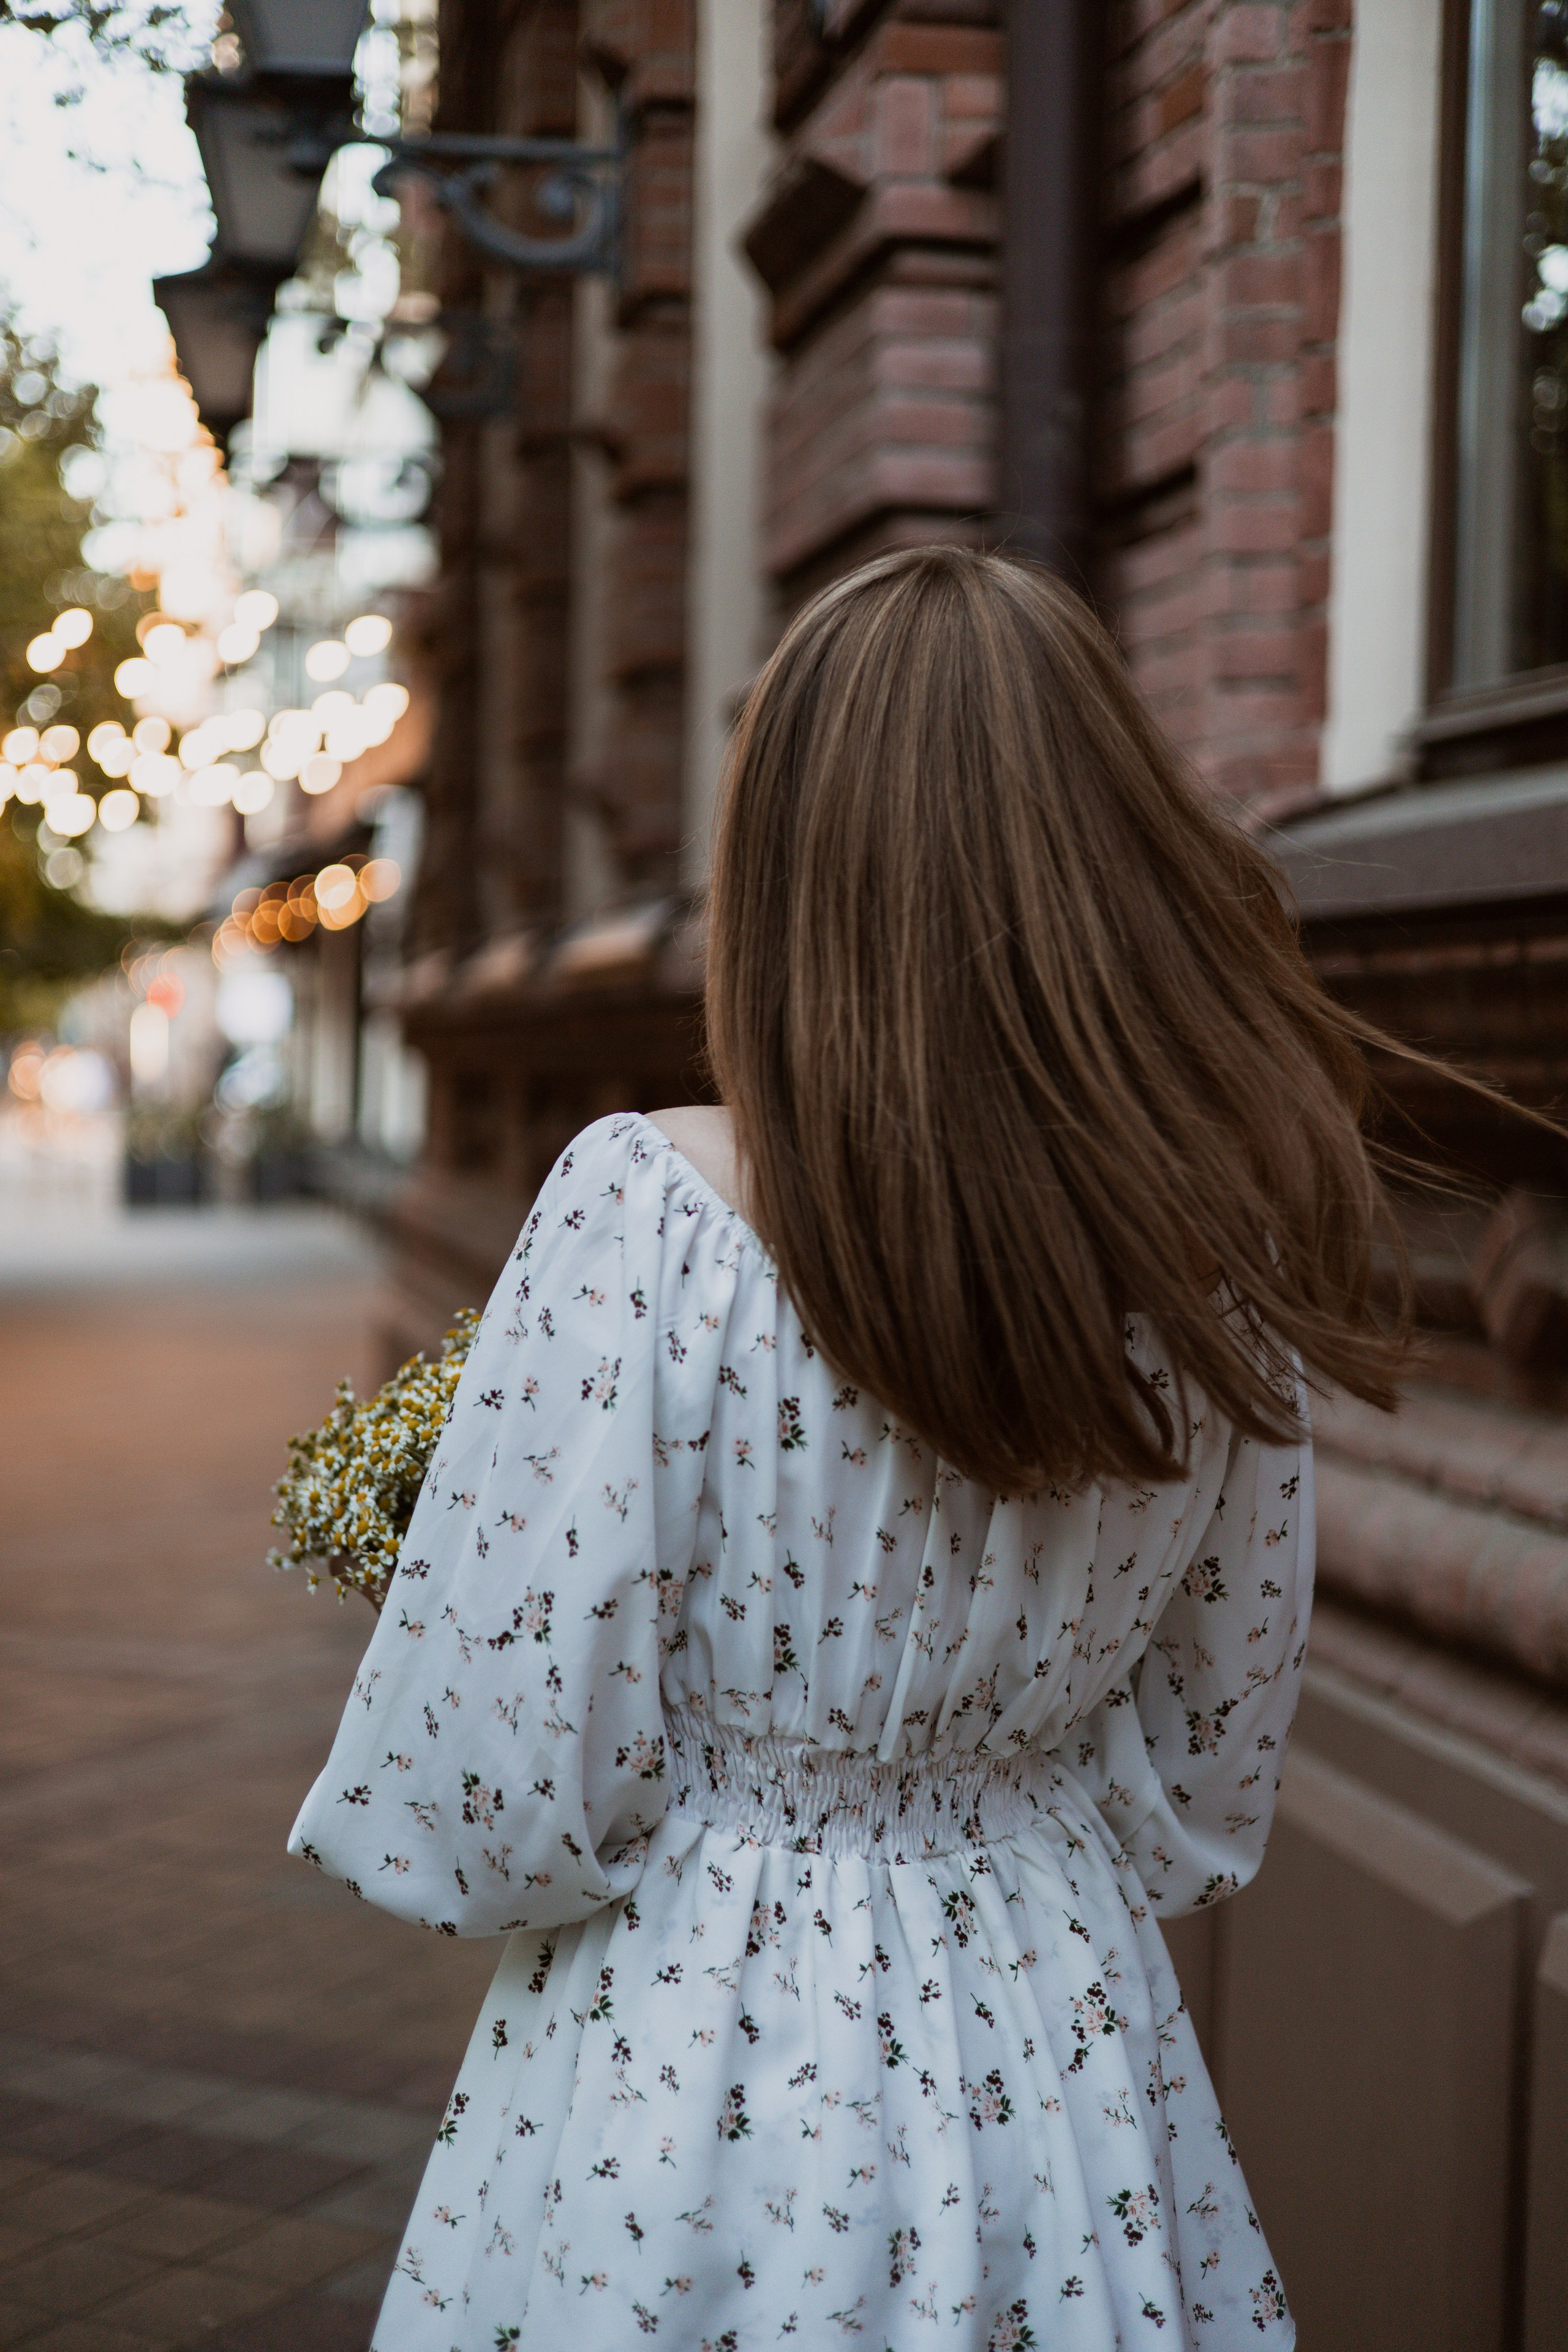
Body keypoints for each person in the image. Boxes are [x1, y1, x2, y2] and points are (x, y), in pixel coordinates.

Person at [291, 548, 1419, 2349]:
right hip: (1060, 2041)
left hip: (692, 2051)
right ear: (1108, 845)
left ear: (789, 858)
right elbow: (1206, 1771)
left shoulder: (648, 1211)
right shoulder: (1225, 1248)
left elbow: (494, 1799)